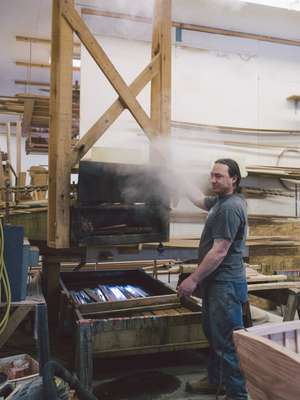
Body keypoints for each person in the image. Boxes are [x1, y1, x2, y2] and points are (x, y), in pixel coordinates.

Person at [177, 158, 248, 400]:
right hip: (216, 283)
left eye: (219, 176)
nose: (213, 180)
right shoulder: (220, 201)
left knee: (227, 341)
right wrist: (178, 175)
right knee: (214, 334)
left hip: (225, 285)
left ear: (234, 179)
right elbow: (198, 199)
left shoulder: (230, 207)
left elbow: (219, 251)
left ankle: (237, 394)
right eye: (212, 175)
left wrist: (193, 280)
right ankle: (216, 381)